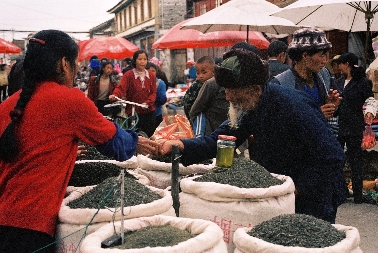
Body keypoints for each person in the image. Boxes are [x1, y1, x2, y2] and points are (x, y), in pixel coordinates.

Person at [0, 30, 159, 253]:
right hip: (31, 227)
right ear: (65, 64)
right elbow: (116, 145)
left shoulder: (8, 105)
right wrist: (136, 140)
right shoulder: (69, 100)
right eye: (75, 63)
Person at [159, 49, 346, 224]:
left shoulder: (294, 106)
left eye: (232, 91)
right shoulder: (250, 106)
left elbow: (333, 155)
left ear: (255, 89)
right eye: (225, 90)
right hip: (280, 193)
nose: (228, 97)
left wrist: (298, 188)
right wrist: (181, 145)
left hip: (314, 196)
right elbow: (220, 139)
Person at [334, 52, 378, 204]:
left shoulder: (362, 82)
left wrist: (370, 112)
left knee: (355, 161)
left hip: (355, 126)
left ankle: (358, 194)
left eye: (340, 63)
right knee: (337, 159)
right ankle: (342, 191)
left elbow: (370, 100)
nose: (338, 67)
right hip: (339, 125)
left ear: (347, 64)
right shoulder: (337, 82)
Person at [271, 28, 341, 121]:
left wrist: (331, 106)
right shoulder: (280, 83)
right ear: (305, 56)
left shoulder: (325, 75)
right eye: (322, 55)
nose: (325, 61)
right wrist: (315, 115)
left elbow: (336, 112)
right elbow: (276, 122)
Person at [109, 49, 157, 137]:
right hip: (133, 112)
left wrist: (147, 103)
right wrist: (115, 95)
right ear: (135, 61)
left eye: (145, 59)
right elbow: (121, 88)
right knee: (134, 137)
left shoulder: (151, 75)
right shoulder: (128, 75)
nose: (142, 62)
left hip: (149, 112)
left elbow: (153, 93)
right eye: (140, 59)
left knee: (150, 136)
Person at [182, 56, 215, 135]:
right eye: (198, 73)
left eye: (204, 72)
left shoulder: (216, 84)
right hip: (198, 115)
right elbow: (187, 102)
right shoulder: (196, 85)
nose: (201, 76)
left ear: (213, 71)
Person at [146, 62, 167, 128]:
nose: (151, 73)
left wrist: (154, 93)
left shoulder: (160, 83)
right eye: (149, 71)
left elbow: (163, 100)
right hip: (143, 115)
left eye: (153, 71)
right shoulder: (141, 82)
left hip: (156, 114)